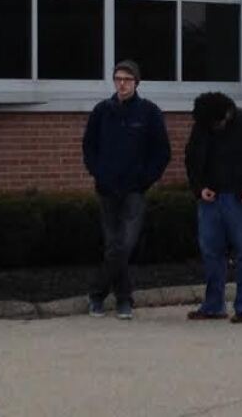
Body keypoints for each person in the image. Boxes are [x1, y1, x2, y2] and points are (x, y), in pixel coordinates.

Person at [82, 60, 171, 320]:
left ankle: (97, 293)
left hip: (134, 191)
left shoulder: (149, 113)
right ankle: (123, 299)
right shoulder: (102, 111)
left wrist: (145, 180)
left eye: (127, 79)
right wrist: (98, 172)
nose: (122, 83)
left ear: (136, 83)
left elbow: (162, 152)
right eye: (118, 78)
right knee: (113, 244)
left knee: (125, 244)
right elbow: (89, 147)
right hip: (107, 189)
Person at [184, 92, 242, 324]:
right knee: (211, 251)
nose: (215, 128)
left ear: (227, 114)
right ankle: (213, 305)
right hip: (210, 197)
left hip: (241, 197)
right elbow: (191, 158)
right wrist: (198, 188)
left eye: (217, 123)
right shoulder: (202, 126)